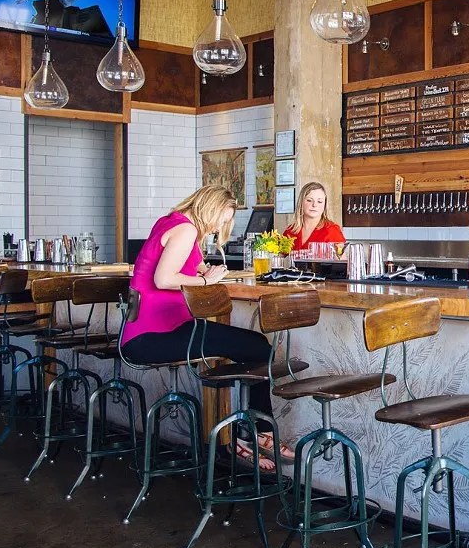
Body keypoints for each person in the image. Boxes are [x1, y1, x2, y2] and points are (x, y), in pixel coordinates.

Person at [122, 185, 285, 470]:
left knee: (247, 347)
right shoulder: (186, 231)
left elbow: (190, 267)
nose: (220, 226)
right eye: (223, 218)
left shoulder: (172, 221)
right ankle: (255, 434)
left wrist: (206, 273)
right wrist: (209, 281)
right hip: (156, 337)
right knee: (259, 348)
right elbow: (163, 278)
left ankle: (237, 438)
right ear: (210, 208)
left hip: (150, 334)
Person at [283, 182, 345, 252]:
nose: (314, 205)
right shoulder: (291, 231)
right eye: (309, 200)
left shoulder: (332, 230)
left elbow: (341, 259)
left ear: (324, 205)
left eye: (320, 201)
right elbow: (277, 257)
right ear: (301, 203)